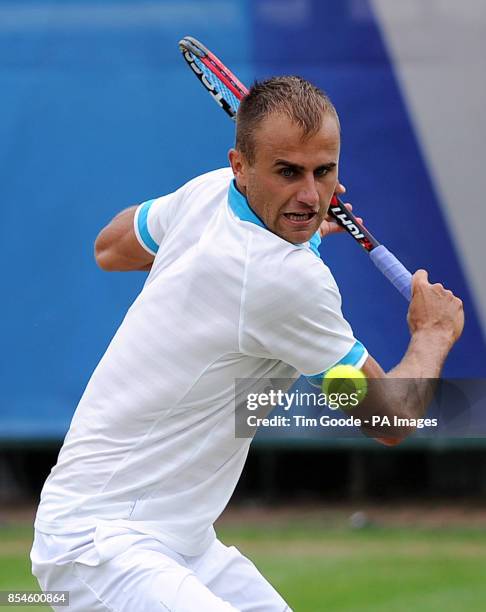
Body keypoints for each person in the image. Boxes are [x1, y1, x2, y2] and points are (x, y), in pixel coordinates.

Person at [31, 76, 464, 611]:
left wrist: (273, 216)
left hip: (180, 541)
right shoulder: (285, 281)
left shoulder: (210, 192)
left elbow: (112, 246)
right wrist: (433, 332)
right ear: (242, 164)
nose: (310, 194)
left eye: (322, 172)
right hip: (98, 545)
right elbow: (391, 418)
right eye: (288, 172)